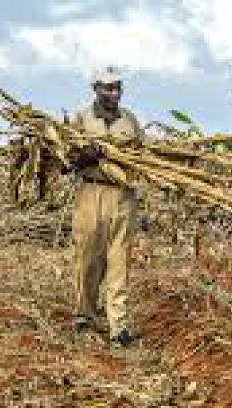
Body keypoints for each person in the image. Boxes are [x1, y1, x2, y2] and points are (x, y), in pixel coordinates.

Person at [69, 66, 144, 347]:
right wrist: (84, 156)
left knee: (119, 260)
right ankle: (85, 314)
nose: (114, 93)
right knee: (88, 257)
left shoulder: (130, 121)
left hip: (123, 195)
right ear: (96, 89)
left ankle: (119, 325)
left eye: (117, 88)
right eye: (108, 88)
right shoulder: (82, 119)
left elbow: (143, 155)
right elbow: (67, 161)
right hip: (91, 192)